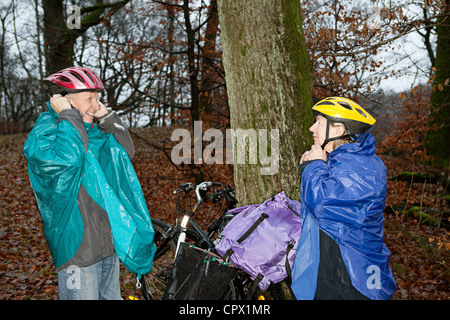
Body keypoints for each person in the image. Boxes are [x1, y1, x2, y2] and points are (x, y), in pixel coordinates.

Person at [23, 66, 156, 300]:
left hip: (107, 245)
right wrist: (68, 116)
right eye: (89, 99)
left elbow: (124, 155)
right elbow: (69, 160)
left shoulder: (91, 131)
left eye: (98, 98)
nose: (96, 105)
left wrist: (107, 118)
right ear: (65, 101)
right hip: (78, 251)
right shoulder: (44, 134)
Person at [290, 97, 396, 300]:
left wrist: (312, 167)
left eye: (319, 122)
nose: (312, 128)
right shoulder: (344, 161)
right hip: (338, 272)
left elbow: (323, 204)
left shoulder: (361, 167)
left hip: (353, 275)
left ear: (338, 130)